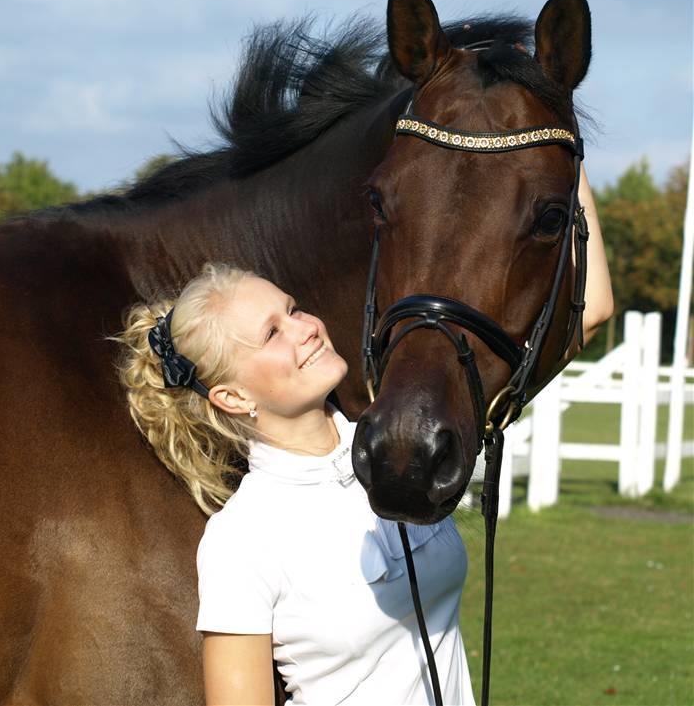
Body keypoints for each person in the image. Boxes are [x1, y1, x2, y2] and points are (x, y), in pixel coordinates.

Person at [114, 170, 612, 706]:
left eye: (293, 309)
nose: (305, 327)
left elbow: (589, 315)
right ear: (232, 398)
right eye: (271, 333)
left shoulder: (396, 446)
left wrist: (561, 152)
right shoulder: (242, 541)